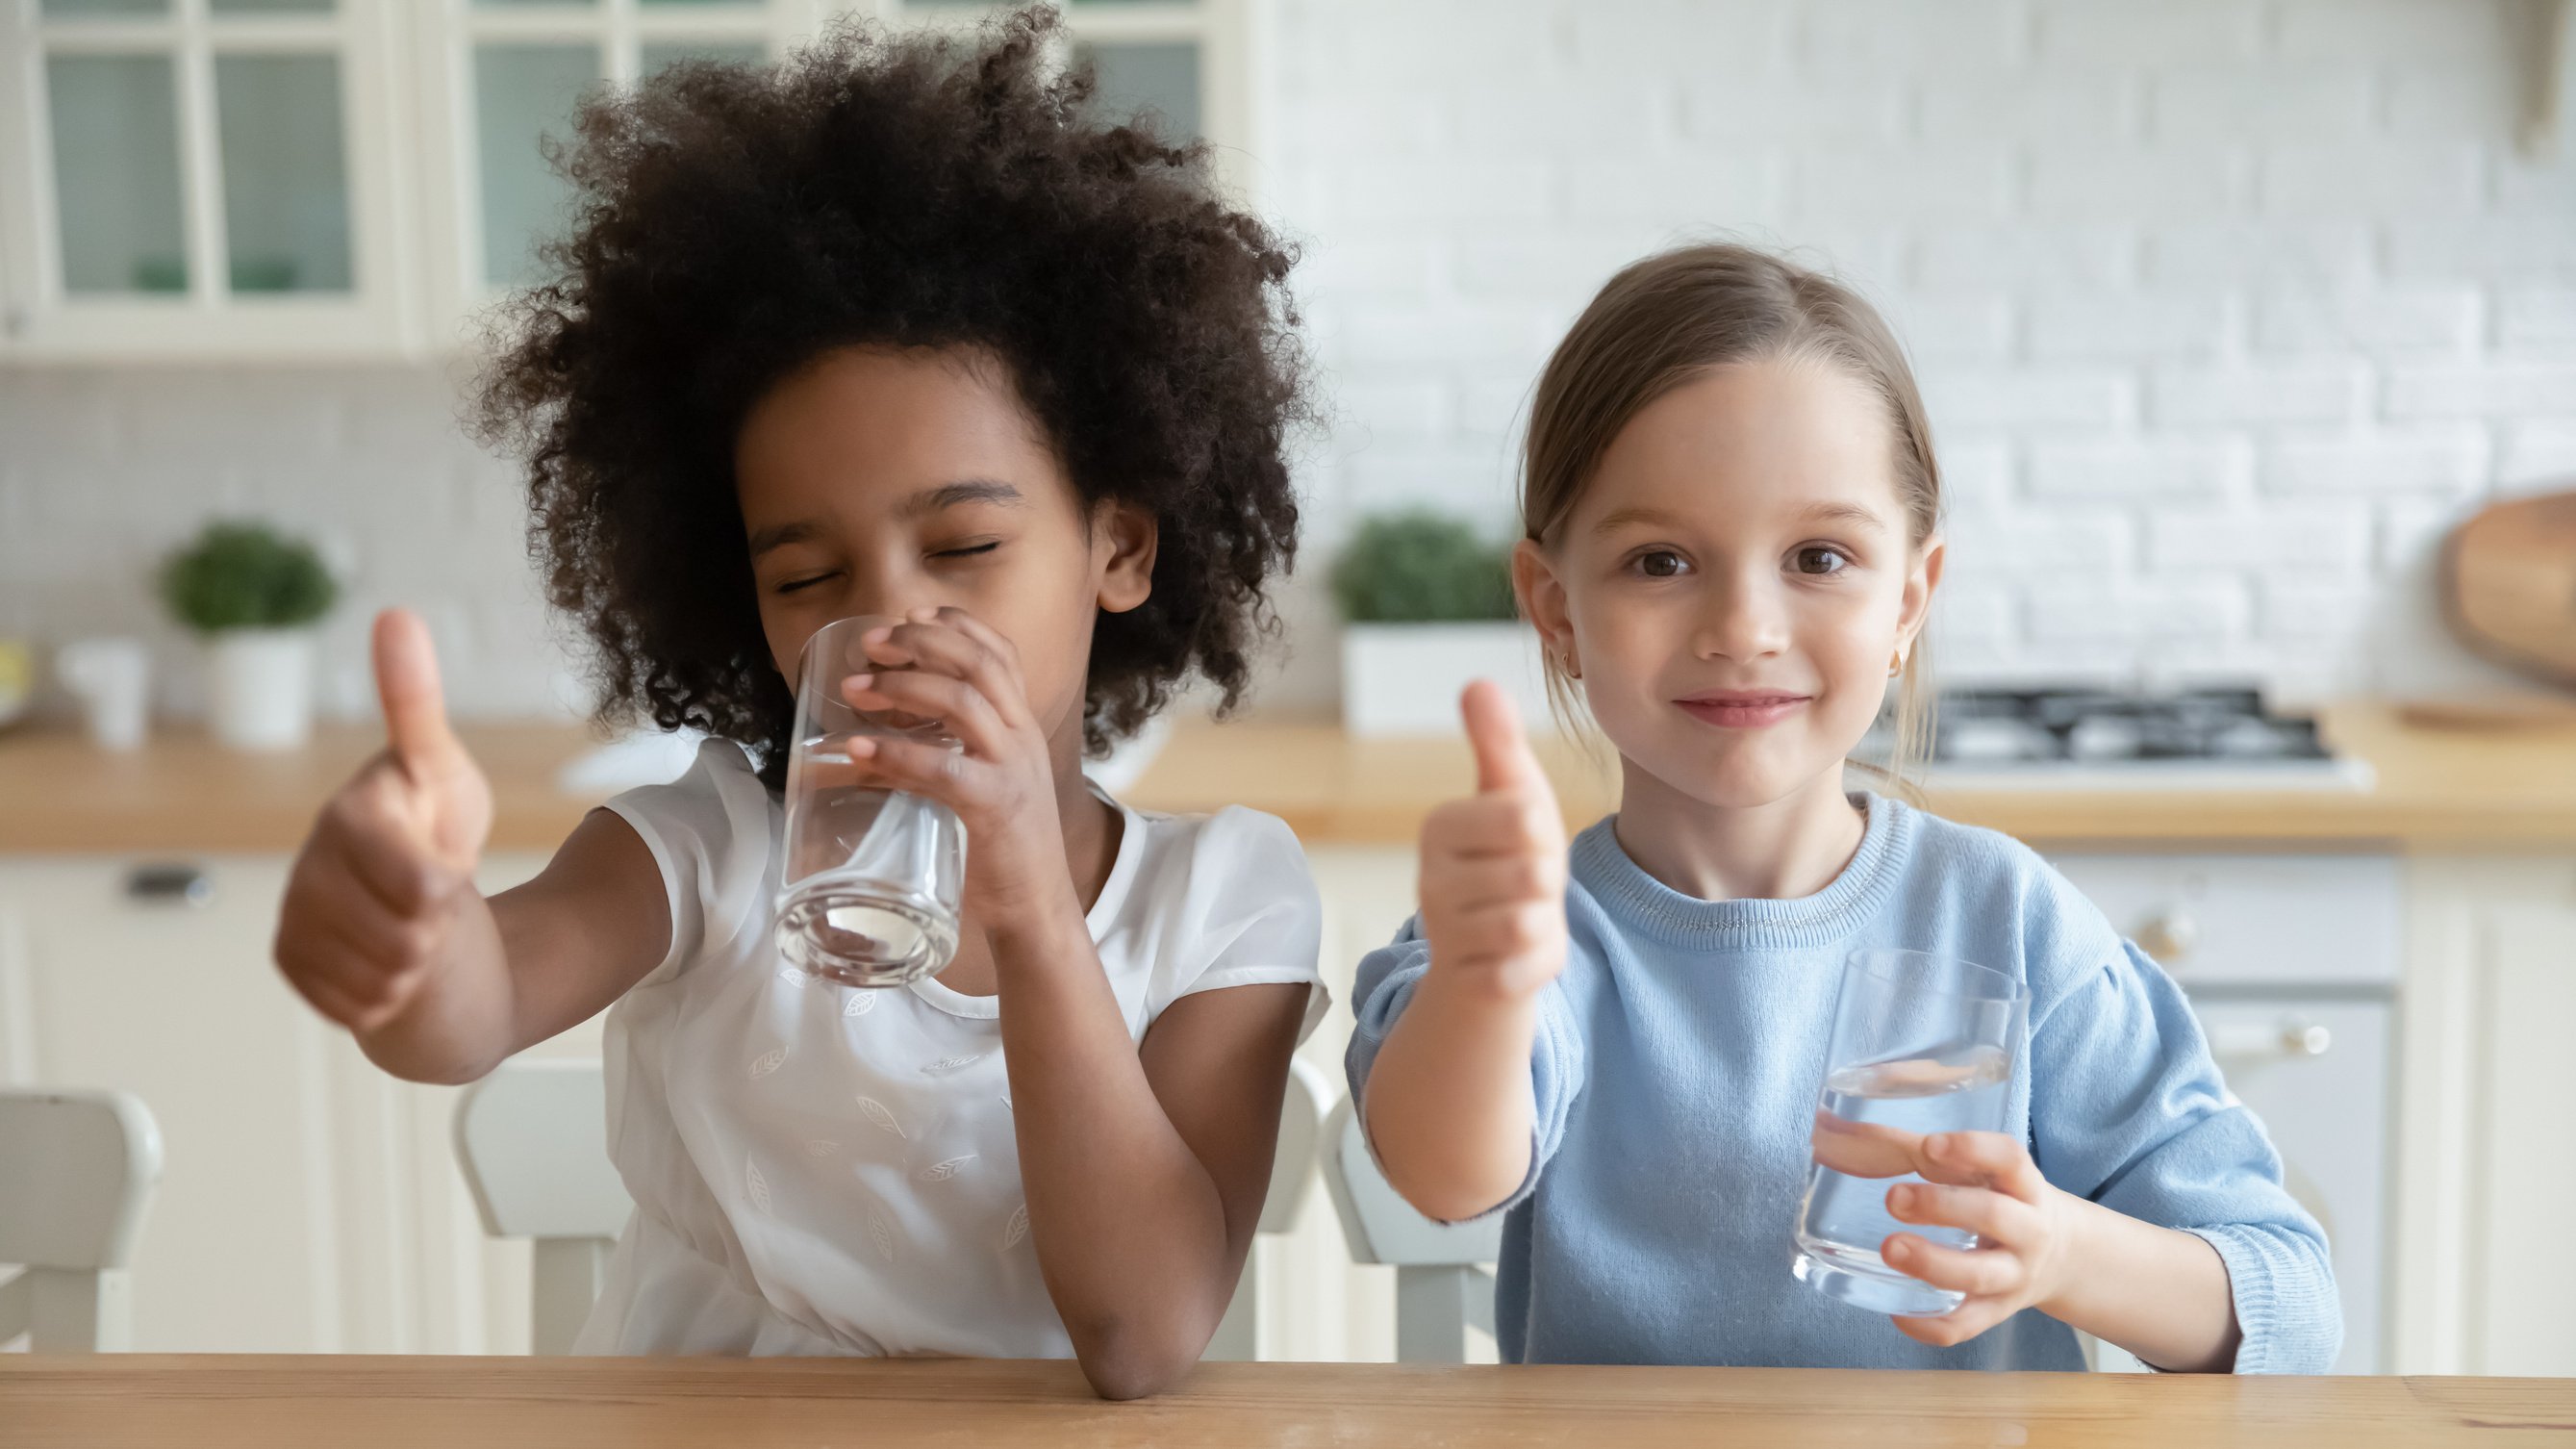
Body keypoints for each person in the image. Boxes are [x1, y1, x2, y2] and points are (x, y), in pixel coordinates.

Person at [271, 11, 1324, 1398]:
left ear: (1120, 548)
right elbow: (471, 1006)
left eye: (961, 547)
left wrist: (1017, 886)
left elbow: (1138, 1334)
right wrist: (410, 938)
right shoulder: (706, 850)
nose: (882, 623)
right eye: (808, 571)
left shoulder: (1223, 902)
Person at [1347, 242, 2338, 1373]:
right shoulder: (1525, 934)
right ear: (1554, 609)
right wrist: (1483, 988)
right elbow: (1443, 1172)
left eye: (1817, 556)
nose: (1745, 627)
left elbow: (2291, 1311)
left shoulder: (2007, 922)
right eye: (1660, 561)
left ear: (1908, 599)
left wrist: (2058, 1252)